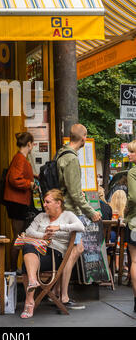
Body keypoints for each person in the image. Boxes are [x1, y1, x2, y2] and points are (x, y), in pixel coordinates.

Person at [20, 189, 85, 318]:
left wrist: (59, 227)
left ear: (58, 203)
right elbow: (28, 231)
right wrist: (43, 236)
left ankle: (29, 302)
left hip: (55, 256)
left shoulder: (68, 216)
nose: (44, 205)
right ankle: (33, 283)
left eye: (47, 202)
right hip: (37, 251)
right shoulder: (41, 217)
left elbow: (80, 227)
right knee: (28, 247)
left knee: (26, 263)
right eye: (44, 202)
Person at [56, 123, 101, 309]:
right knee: (72, 252)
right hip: (71, 213)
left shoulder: (60, 154)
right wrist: (91, 212)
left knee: (75, 249)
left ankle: (59, 293)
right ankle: (63, 296)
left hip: (63, 211)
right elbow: (75, 193)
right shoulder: (72, 159)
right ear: (83, 138)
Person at [3, 132, 38, 271]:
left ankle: (14, 268)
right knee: (18, 237)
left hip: (17, 202)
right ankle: (12, 269)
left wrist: (33, 176)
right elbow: (14, 179)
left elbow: (17, 175)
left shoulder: (20, 158)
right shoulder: (20, 159)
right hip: (18, 202)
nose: (33, 147)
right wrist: (29, 184)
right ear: (29, 144)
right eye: (32, 144)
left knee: (19, 236)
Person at [124, 140, 136, 312]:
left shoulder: (133, 172)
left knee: (134, 261)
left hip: (135, 222)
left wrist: (127, 210)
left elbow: (133, 197)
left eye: (132, 152)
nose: (129, 154)